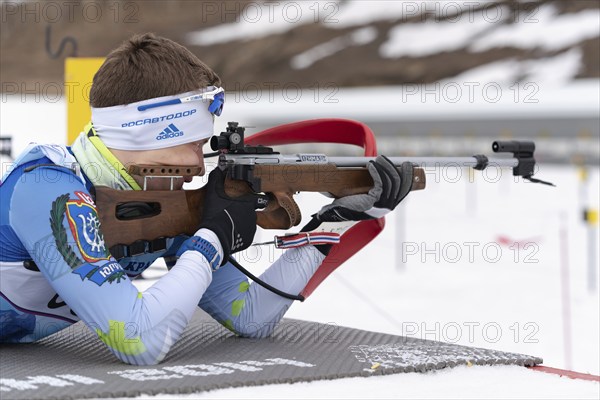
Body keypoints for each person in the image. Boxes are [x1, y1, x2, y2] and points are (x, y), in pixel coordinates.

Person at [0, 33, 412, 365]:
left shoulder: (161, 198)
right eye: (193, 144)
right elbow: (139, 340)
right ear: (150, 134)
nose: (201, 163)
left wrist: (335, 222)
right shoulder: (47, 189)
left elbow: (251, 317)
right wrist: (211, 239)